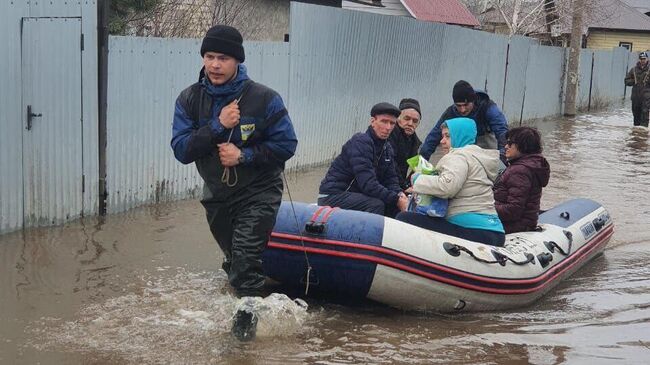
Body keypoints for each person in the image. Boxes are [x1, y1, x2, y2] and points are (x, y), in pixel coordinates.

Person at [170, 25, 297, 341]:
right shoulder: (189, 99)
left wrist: (244, 156)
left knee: (244, 262)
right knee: (234, 262)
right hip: (217, 195)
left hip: (259, 192)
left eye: (223, 58)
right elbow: (181, 150)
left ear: (237, 61)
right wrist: (217, 126)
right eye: (209, 56)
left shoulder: (264, 98)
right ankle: (253, 305)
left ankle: (242, 342)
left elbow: (287, 144)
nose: (215, 65)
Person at [396, 117, 505, 247]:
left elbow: (447, 187)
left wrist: (417, 179)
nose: (442, 141)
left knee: (404, 218)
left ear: (460, 136)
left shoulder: (458, 156)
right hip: (494, 231)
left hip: (472, 230)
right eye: (442, 136)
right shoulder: (477, 157)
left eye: (447, 136)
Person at [318, 102, 409, 216]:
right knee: (376, 204)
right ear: (372, 121)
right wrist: (396, 199)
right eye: (384, 121)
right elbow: (368, 185)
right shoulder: (361, 142)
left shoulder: (387, 148)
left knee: (394, 204)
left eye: (392, 123)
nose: (388, 127)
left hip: (355, 194)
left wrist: (400, 194)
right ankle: (368, 234)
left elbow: (390, 180)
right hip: (333, 195)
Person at [420, 80, 509, 163]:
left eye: (466, 105)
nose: (462, 110)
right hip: (462, 144)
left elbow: (502, 133)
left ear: (473, 101)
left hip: (485, 141)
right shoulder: (451, 112)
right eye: (459, 105)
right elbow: (433, 137)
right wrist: (418, 165)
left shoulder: (488, 108)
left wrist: (503, 159)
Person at [493, 127, 550, 233]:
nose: (505, 146)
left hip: (514, 225)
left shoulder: (520, 171)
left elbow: (513, 210)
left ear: (523, 146)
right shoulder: (531, 165)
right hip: (525, 222)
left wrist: (483, 207)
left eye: (510, 143)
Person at [388, 98, 422, 191]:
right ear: (398, 118)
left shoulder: (415, 142)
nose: (410, 123)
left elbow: (417, 168)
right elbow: (391, 165)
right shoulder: (389, 135)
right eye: (407, 119)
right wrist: (403, 188)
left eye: (415, 121)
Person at [624, 51, 650, 127]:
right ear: (639, 59)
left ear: (647, 59)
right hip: (635, 96)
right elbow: (626, 81)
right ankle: (636, 134)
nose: (643, 60)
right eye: (641, 59)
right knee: (636, 115)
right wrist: (633, 81)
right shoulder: (634, 70)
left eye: (644, 59)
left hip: (646, 96)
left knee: (645, 114)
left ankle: (643, 134)